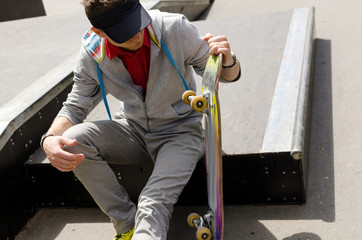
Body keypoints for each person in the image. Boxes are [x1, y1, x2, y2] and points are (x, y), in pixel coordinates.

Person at [41, 0, 241, 239]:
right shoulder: (93, 53)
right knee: (72, 139)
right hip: (134, 129)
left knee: (152, 201)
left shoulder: (174, 28)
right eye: (124, 31)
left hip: (180, 133)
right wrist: (49, 139)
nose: (137, 33)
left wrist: (228, 60)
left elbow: (223, 75)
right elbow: (75, 106)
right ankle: (127, 225)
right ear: (99, 32)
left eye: (137, 22)